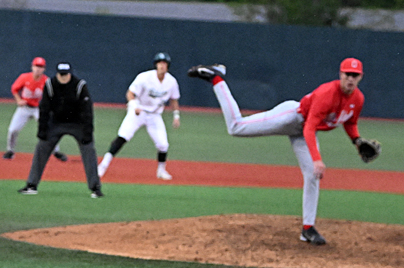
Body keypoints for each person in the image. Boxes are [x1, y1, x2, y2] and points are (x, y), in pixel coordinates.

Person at [188, 58, 370, 245]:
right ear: (340, 74)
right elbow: (309, 127)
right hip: (292, 117)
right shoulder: (327, 93)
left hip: (304, 131)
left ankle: (308, 228)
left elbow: (350, 122)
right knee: (236, 127)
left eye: (355, 75)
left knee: (312, 176)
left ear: (360, 77)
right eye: (347, 74)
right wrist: (317, 159)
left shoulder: (358, 99)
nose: (350, 78)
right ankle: (216, 79)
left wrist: (356, 140)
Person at [18, 62, 103, 198]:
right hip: (56, 122)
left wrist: (88, 131)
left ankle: (95, 188)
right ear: (57, 73)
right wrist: (42, 130)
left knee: (89, 150)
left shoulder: (79, 85)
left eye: (66, 75)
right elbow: (44, 108)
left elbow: (87, 110)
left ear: (70, 73)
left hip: (77, 123)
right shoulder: (50, 84)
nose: (63, 77)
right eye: (61, 74)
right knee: (41, 148)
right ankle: (31, 185)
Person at [98, 52, 181, 181]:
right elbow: (130, 93)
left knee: (163, 145)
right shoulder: (144, 77)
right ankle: (103, 166)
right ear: (155, 65)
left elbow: (174, 99)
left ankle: (161, 170)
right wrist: (133, 105)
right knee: (123, 137)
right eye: (159, 63)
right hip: (138, 111)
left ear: (168, 66)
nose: (162, 66)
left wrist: (176, 115)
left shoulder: (171, 82)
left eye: (164, 63)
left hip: (155, 115)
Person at [3, 57, 67, 162]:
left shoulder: (46, 81)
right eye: (36, 66)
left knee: (49, 128)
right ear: (32, 67)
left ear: (44, 69)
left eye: (41, 67)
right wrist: (19, 100)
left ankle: (56, 151)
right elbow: (14, 89)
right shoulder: (24, 77)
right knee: (13, 129)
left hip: (39, 109)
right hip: (25, 108)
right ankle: (10, 151)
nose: (38, 69)